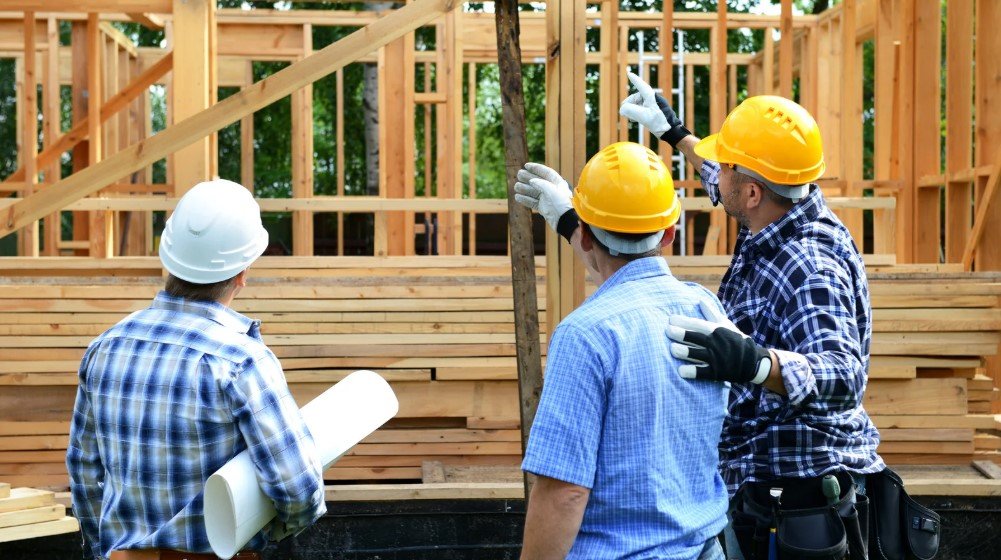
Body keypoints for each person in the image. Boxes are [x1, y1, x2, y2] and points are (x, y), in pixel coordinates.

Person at [619, 73, 884, 558]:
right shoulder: (776, 208)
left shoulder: (809, 265)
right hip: (764, 489)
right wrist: (674, 132)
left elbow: (845, 376)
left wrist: (755, 364)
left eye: (727, 167)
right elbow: (729, 177)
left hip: (801, 501)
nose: (716, 174)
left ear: (755, 193)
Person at [67, 179, 327, 560]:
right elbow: (298, 490)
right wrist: (268, 528)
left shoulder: (104, 347)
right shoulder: (240, 360)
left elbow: (84, 472)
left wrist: (104, 551)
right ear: (243, 273)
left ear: (168, 257)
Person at [514, 142, 729, 560]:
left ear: (588, 234)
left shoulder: (585, 335)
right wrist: (569, 221)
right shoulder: (705, 308)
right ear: (670, 233)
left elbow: (564, 493)